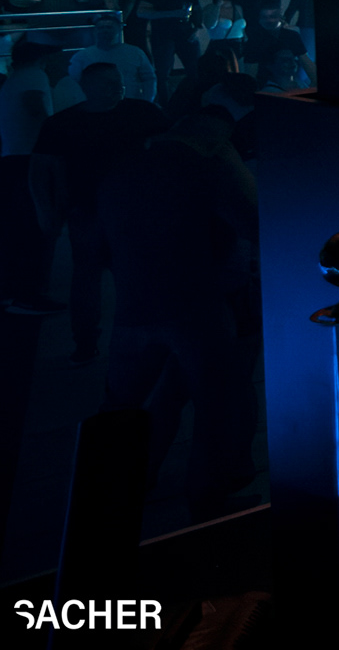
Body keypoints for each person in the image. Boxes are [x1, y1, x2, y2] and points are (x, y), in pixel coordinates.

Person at [96, 112, 258, 519]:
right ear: (218, 139)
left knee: (118, 408)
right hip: (196, 305)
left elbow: (100, 248)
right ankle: (207, 508)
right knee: (214, 409)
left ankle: (100, 501)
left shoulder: (121, 170)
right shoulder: (207, 166)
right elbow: (253, 223)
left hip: (132, 309)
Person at [31, 62, 169, 363]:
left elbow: (40, 169)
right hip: (108, 209)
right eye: (107, 82)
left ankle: (90, 343)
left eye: (117, 81)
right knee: (115, 275)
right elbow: (39, 170)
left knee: (92, 276)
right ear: (86, 86)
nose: (116, 86)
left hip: (107, 209)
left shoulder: (64, 122)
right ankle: (128, 341)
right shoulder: (141, 113)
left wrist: (47, 210)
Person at [0, 42, 66, 315]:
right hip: (29, 160)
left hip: (12, 159)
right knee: (36, 226)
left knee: (16, 230)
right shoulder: (34, 76)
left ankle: (12, 293)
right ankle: (29, 296)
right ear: (42, 59)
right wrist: (56, 137)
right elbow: (35, 107)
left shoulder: (14, 79)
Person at [140, 0, 202, 98]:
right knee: (162, 75)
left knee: (195, 72)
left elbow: (197, 10)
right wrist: (172, 13)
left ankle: (193, 102)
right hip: (163, 36)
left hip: (186, 34)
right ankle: (165, 105)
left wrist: (197, 28)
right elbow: (141, 12)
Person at [70, 13, 158, 103]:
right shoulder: (81, 56)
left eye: (109, 27)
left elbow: (149, 79)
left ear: (119, 29)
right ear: (95, 31)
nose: (105, 30)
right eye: (101, 27)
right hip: (96, 105)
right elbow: (74, 82)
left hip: (130, 105)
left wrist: (146, 102)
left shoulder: (136, 53)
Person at [241, 4, 313, 86]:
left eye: (273, 17)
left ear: (280, 18)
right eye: (264, 17)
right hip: (265, 86)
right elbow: (251, 75)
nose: (269, 21)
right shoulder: (254, 41)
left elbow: (307, 63)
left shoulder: (291, 36)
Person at [204, 0, 248, 66]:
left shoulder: (238, 8)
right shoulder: (210, 8)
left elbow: (242, 29)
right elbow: (209, 25)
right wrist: (218, 6)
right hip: (220, 46)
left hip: (237, 46)